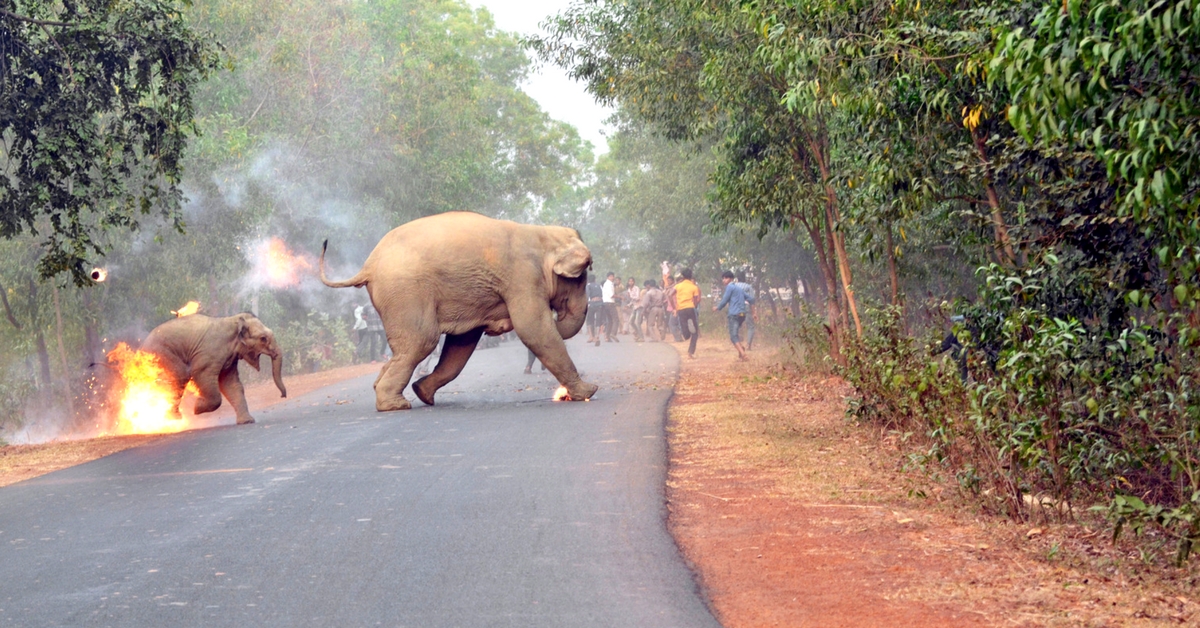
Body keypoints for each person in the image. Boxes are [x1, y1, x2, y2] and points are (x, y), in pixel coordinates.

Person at [713, 270, 753, 361]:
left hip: (734, 314)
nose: (724, 280)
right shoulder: (739, 289)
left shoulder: (730, 287)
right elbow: (751, 299)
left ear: (731, 279)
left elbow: (725, 300)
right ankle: (741, 351)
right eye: (723, 278)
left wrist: (718, 308)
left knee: (733, 336)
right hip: (742, 314)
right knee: (736, 333)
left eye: (726, 278)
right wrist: (754, 312)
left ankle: (743, 355)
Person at [674, 268, 701, 358]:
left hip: (681, 309)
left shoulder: (678, 286)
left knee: (684, 330)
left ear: (683, 276)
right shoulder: (694, 287)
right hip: (690, 308)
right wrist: (695, 306)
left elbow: (670, 294)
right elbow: (697, 299)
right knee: (695, 333)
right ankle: (690, 352)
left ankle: (686, 334)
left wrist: (674, 307)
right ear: (691, 276)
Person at [735, 272, 757, 350]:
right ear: (745, 278)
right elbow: (752, 300)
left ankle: (738, 342)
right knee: (750, 326)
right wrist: (754, 313)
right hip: (746, 307)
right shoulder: (748, 287)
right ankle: (748, 345)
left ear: (737, 278)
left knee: (737, 325)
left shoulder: (734, 286)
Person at [585, 273, 603, 346]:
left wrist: (587, 303)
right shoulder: (599, 285)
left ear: (588, 280)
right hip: (600, 303)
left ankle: (591, 336)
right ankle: (597, 337)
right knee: (598, 320)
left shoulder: (588, 286)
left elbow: (587, 295)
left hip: (592, 304)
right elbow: (602, 294)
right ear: (595, 280)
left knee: (589, 320)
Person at [602, 272, 619, 342]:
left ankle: (607, 336)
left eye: (613, 276)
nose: (613, 278)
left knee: (610, 321)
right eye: (611, 276)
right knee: (616, 319)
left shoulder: (607, 284)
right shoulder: (609, 284)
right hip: (610, 303)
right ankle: (613, 333)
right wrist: (620, 297)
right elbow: (612, 295)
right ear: (608, 277)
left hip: (606, 304)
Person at [625, 277, 643, 341]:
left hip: (639, 306)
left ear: (634, 282)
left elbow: (637, 297)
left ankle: (641, 337)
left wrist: (630, 296)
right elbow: (632, 300)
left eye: (632, 281)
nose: (630, 282)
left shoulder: (636, 288)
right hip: (634, 307)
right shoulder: (629, 290)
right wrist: (628, 305)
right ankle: (638, 334)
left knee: (637, 322)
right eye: (629, 281)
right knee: (631, 322)